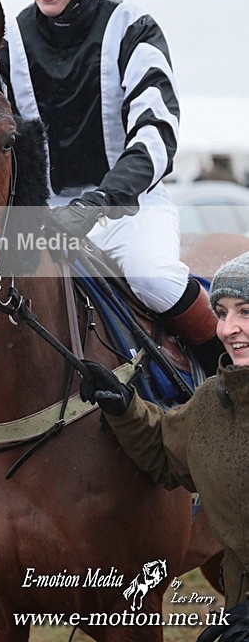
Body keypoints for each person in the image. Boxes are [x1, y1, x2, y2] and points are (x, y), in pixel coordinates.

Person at [0, 0, 220, 372]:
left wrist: (99, 203)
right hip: (45, 222)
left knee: (153, 276)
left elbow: (156, 133)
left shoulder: (134, 28)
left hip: (127, 212)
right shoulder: (7, 39)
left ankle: (228, 380)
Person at [79, 251, 249, 627]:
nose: (226, 329)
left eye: (245, 312)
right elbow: (165, 452)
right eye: (221, 313)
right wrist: (125, 407)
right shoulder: (211, 401)